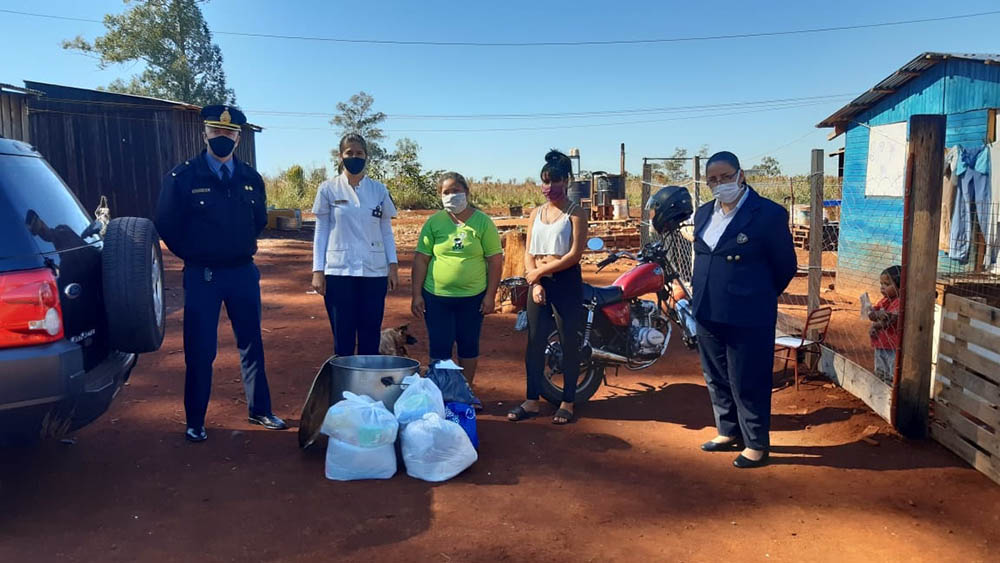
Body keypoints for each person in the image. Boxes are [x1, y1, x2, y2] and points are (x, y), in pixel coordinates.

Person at [154, 105, 286, 443]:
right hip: (204, 276)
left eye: (229, 133)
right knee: (200, 349)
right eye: (216, 131)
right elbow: (167, 225)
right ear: (205, 134)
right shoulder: (183, 177)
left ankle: (260, 410)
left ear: (239, 137)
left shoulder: (250, 179)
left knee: (252, 344)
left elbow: (258, 221)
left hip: (243, 272)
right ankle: (196, 420)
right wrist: (197, 254)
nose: (222, 138)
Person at [691, 151, 797, 468]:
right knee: (716, 375)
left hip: (747, 312)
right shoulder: (703, 214)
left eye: (725, 177)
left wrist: (758, 295)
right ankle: (727, 431)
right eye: (712, 179)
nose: (719, 184)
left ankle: (755, 443)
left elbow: (785, 266)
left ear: (741, 175)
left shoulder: (767, 214)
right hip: (707, 307)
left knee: (748, 377)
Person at [507, 150, 589, 425]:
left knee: (568, 341)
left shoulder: (576, 213)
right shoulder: (536, 213)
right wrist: (536, 280)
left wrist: (539, 272)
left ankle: (568, 401)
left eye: (554, 181)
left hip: (565, 282)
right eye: (544, 182)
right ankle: (531, 400)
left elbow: (574, 255)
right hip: (539, 283)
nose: (549, 188)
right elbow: (529, 249)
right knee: (535, 342)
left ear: (566, 181)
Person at [411, 172, 503, 390]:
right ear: (440, 196)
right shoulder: (434, 222)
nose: (452, 195)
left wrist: (490, 296)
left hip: (473, 297)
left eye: (456, 191)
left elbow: (495, 261)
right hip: (436, 297)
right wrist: (416, 295)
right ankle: (441, 393)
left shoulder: (483, 223)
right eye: (446, 192)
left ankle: (465, 391)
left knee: (468, 345)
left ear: (467, 192)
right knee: (440, 347)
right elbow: (421, 259)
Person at [311, 133, 399, 356]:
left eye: (359, 153)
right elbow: (321, 231)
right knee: (343, 336)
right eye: (349, 153)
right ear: (340, 156)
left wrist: (393, 265)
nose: (354, 157)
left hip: (374, 271)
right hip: (339, 271)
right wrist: (318, 270)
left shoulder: (379, 190)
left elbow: (386, 230)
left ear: (367, 156)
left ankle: (367, 386)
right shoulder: (328, 189)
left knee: (370, 334)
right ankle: (345, 387)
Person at [869, 265, 901, 385]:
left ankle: (890, 393)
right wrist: (871, 311)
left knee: (891, 371)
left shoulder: (899, 302)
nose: (882, 288)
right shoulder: (884, 300)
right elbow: (872, 315)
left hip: (892, 344)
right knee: (880, 370)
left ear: (899, 285)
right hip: (880, 343)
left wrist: (876, 322)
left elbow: (889, 320)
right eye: (881, 284)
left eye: (887, 285)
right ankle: (880, 390)